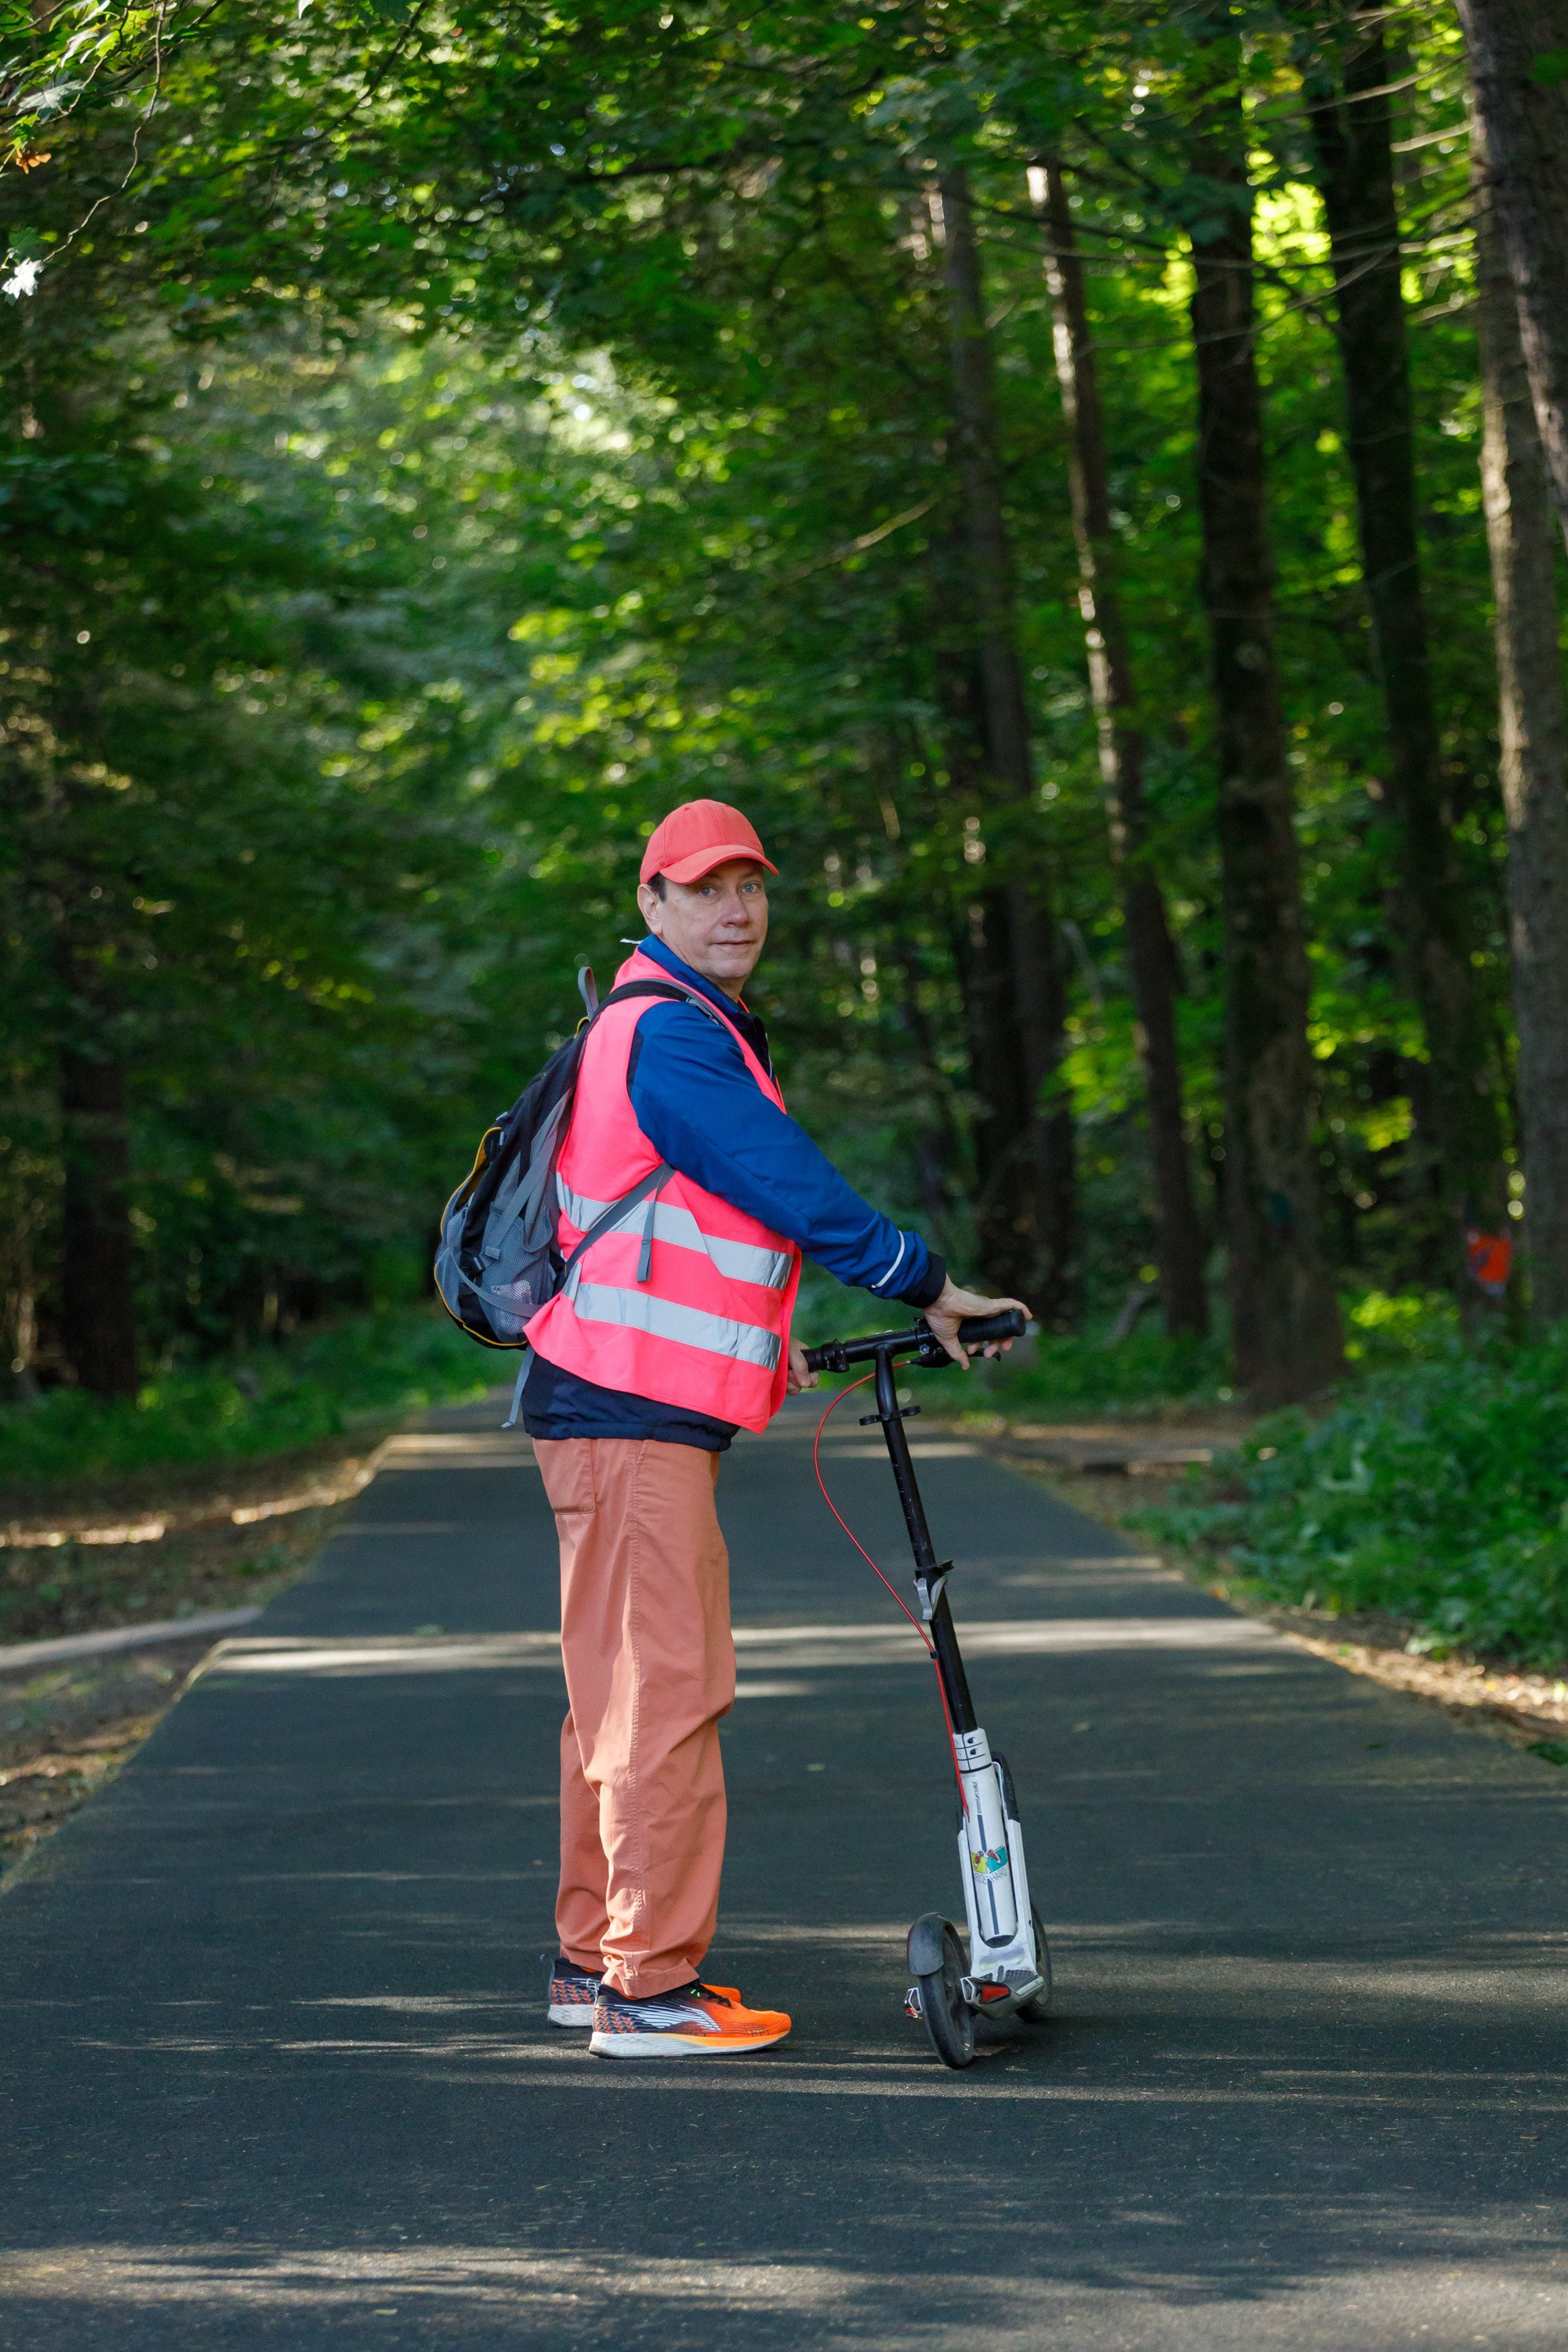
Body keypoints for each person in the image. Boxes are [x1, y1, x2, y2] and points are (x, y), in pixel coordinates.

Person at [521, 797, 1028, 2059]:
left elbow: (684, 1223)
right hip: (624, 1414)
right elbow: (782, 1178)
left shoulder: (665, 1023)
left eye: (750, 885)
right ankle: (647, 1988)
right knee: (665, 1696)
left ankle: (593, 1964)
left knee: (617, 1701)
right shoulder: (669, 1032)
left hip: (610, 1403)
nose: (736, 909)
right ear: (652, 905)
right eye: (705, 889)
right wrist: (922, 1279)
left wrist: (761, 1340)